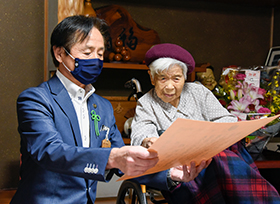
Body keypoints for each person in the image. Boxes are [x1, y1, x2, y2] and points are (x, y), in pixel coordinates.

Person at [10, 15, 160, 204]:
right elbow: (50, 151)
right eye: (87, 52)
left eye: (100, 53)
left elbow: (123, 159)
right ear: (59, 54)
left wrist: (171, 174)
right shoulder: (35, 99)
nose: (96, 60)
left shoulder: (103, 106)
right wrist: (112, 157)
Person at [131, 43, 280, 203]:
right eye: (162, 78)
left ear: (185, 77)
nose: (169, 86)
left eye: (176, 78)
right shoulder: (146, 103)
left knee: (220, 156)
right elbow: (142, 133)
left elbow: (227, 120)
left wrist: (207, 135)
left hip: (213, 156)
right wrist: (149, 140)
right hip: (183, 168)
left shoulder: (198, 91)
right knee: (220, 159)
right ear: (152, 78)